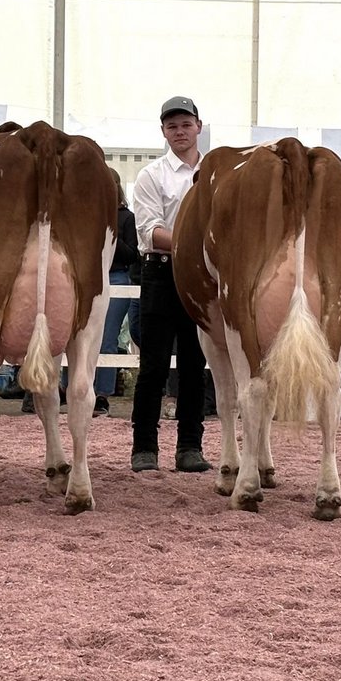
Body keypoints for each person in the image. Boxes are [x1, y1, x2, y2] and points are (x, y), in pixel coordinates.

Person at [130, 96, 209, 474]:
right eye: (172, 126)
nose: (179, 132)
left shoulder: (215, 172)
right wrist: (199, 245)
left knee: (196, 364)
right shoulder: (151, 175)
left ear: (198, 127)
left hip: (202, 276)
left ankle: (190, 446)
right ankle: (144, 446)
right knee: (154, 365)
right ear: (163, 131)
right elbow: (149, 231)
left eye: (185, 124)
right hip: (162, 272)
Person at [88, 169, 138, 415]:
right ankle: (72, 387)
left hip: (117, 275)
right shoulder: (85, 215)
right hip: (88, 277)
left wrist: (110, 234)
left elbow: (132, 254)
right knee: (75, 335)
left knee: (107, 337)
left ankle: (102, 394)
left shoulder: (127, 218)